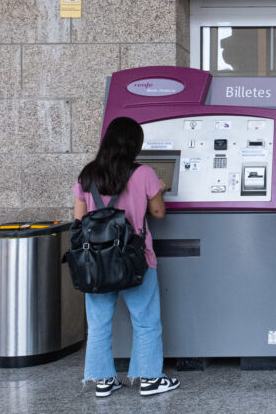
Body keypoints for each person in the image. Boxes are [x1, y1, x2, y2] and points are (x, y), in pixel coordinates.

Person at [73, 117, 180, 397]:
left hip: (96, 261)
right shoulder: (143, 173)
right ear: (134, 144)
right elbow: (158, 213)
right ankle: (150, 380)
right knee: (145, 319)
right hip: (135, 257)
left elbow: (78, 219)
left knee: (98, 324)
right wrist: (160, 188)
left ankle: (104, 382)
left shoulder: (87, 175)